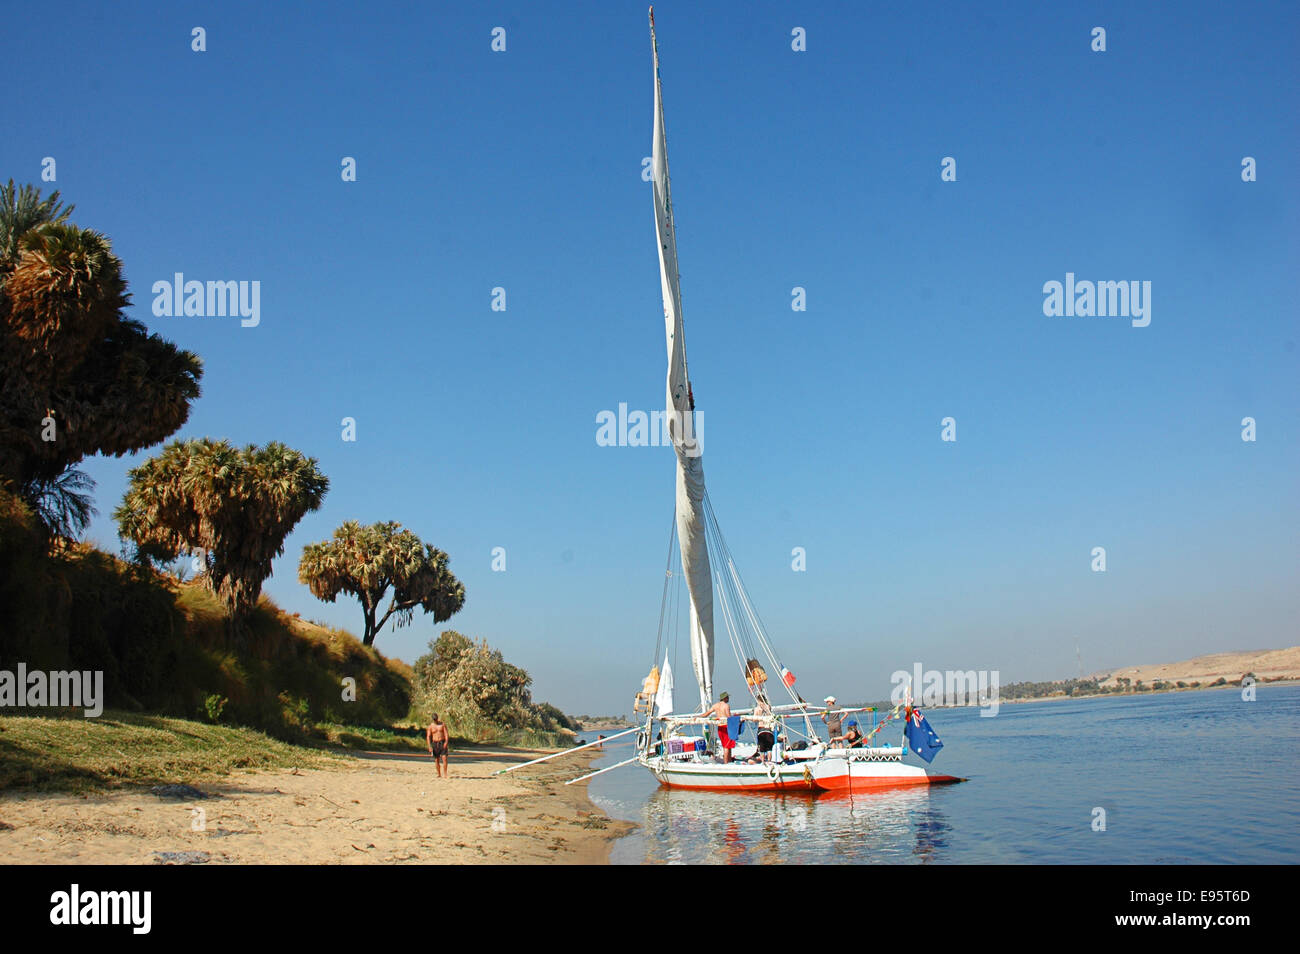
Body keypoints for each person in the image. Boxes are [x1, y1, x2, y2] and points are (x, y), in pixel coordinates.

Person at [704, 692, 734, 763]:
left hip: (720, 727)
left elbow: (707, 713)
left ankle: (728, 761)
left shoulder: (715, 706)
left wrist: (698, 717)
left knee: (725, 745)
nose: (728, 699)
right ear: (725, 698)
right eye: (727, 697)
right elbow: (728, 717)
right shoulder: (726, 706)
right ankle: (727, 763)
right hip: (726, 727)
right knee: (727, 746)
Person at [426, 713, 450, 778]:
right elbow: (428, 736)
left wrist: (446, 742)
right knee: (437, 760)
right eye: (434, 719)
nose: (435, 720)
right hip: (435, 743)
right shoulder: (430, 726)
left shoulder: (442, 725)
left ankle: (445, 774)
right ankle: (439, 774)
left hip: (442, 742)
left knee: (444, 758)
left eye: (436, 719)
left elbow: (446, 734)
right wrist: (429, 746)